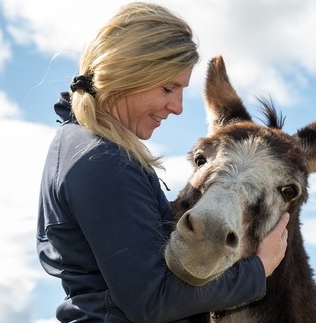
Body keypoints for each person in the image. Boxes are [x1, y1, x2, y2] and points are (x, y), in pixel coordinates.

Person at [36, 2, 289, 322]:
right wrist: (259, 268)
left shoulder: (78, 144)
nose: (178, 107)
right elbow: (151, 301)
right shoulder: (103, 163)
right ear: (128, 74)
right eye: (169, 88)